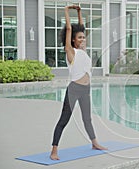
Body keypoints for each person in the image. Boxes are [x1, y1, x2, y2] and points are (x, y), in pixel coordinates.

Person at [50, 5, 107, 160]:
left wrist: (80, 12)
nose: (83, 39)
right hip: (74, 89)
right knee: (64, 120)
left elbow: (82, 28)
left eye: (84, 37)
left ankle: (94, 143)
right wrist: (67, 11)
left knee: (87, 118)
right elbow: (69, 29)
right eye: (79, 37)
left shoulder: (83, 51)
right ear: (73, 40)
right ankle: (54, 150)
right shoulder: (71, 51)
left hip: (86, 89)